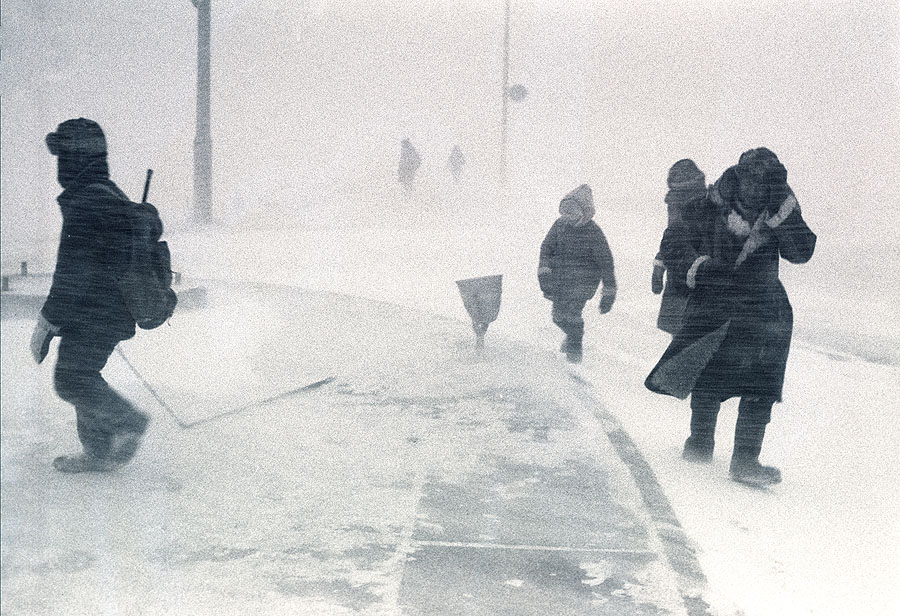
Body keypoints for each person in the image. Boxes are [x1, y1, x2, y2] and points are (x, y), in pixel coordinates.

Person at [645, 148, 816, 487]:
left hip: (763, 307)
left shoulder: (778, 208)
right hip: (715, 302)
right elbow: (674, 243)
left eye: (764, 186)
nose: (755, 191)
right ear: (738, 178)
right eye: (750, 182)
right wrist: (702, 269)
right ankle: (700, 443)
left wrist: (784, 213)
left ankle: (746, 460)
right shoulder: (708, 206)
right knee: (709, 376)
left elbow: (801, 252)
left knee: (761, 385)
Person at [31, 118, 150, 473]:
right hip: (106, 308)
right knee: (80, 372)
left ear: (75, 158)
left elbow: (72, 271)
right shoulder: (105, 192)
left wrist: (46, 323)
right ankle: (98, 452)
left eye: (63, 156)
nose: (59, 166)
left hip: (97, 309)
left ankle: (127, 422)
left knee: (72, 378)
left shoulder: (87, 201)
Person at [538, 184, 617, 364]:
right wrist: (544, 273)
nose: (567, 217)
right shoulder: (559, 226)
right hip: (560, 280)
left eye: (571, 212)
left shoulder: (594, 233)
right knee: (557, 317)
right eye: (564, 212)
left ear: (585, 212)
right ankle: (572, 335)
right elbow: (546, 248)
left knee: (572, 316)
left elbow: (606, 263)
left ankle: (575, 352)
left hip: (583, 283)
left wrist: (609, 292)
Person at [652, 159, 707, 335]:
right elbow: (671, 237)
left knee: (694, 337)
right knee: (679, 337)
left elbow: (712, 241)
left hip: (699, 280)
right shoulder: (674, 202)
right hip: (677, 280)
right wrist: (659, 265)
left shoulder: (706, 205)